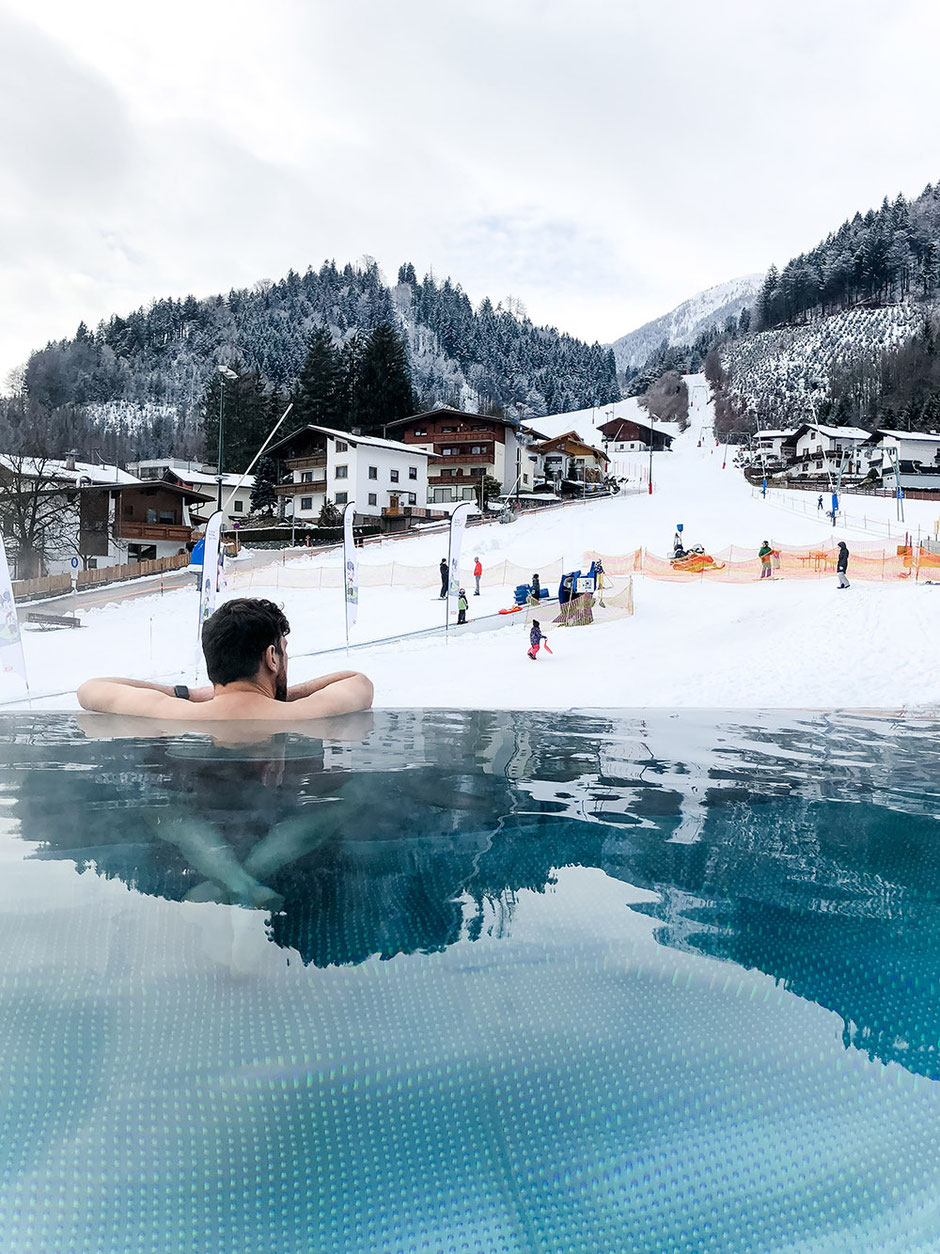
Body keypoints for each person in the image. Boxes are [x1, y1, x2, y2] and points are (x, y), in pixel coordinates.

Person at [77, 597, 374, 721]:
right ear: (272, 657)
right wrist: (284, 696)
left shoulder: (175, 714)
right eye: (283, 649)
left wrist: (189, 695)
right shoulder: (304, 714)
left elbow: (90, 689)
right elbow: (359, 682)